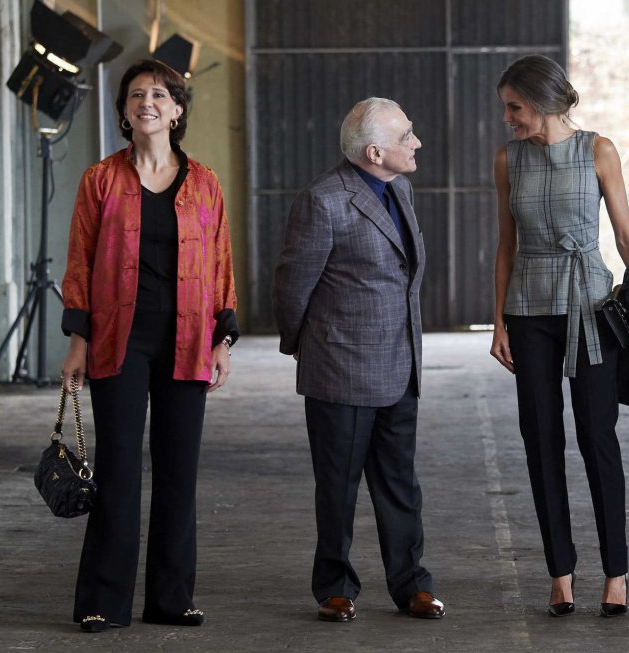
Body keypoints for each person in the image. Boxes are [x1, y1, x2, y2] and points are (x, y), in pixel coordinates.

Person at [60, 59, 238, 632]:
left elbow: (220, 265)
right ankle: (102, 603)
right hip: (118, 342)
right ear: (125, 111)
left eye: (159, 94)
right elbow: (80, 264)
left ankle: (171, 598)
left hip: (186, 342)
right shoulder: (100, 180)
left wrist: (222, 338)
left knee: (178, 473)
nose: (147, 102)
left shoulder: (206, 182)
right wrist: (78, 340)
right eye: (137, 94)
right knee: (117, 473)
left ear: (177, 109)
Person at [489, 54, 629, 618]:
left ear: (541, 102)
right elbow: (506, 246)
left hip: (590, 304)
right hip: (529, 311)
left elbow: (626, 234)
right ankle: (560, 573)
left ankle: (617, 572)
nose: (508, 118)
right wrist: (498, 323)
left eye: (514, 107)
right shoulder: (508, 160)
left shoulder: (598, 151)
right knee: (540, 441)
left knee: (597, 439)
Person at [271, 97, 444, 622]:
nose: (416, 143)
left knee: (400, 484)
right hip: (340, 370)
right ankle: (334, 586)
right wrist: (308, 346)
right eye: (406, 136)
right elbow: (292, 285)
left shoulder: (402, 189)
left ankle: (410, 582)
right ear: (375, 152)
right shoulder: (324, 200)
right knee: (338, 488)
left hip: (400, 364)